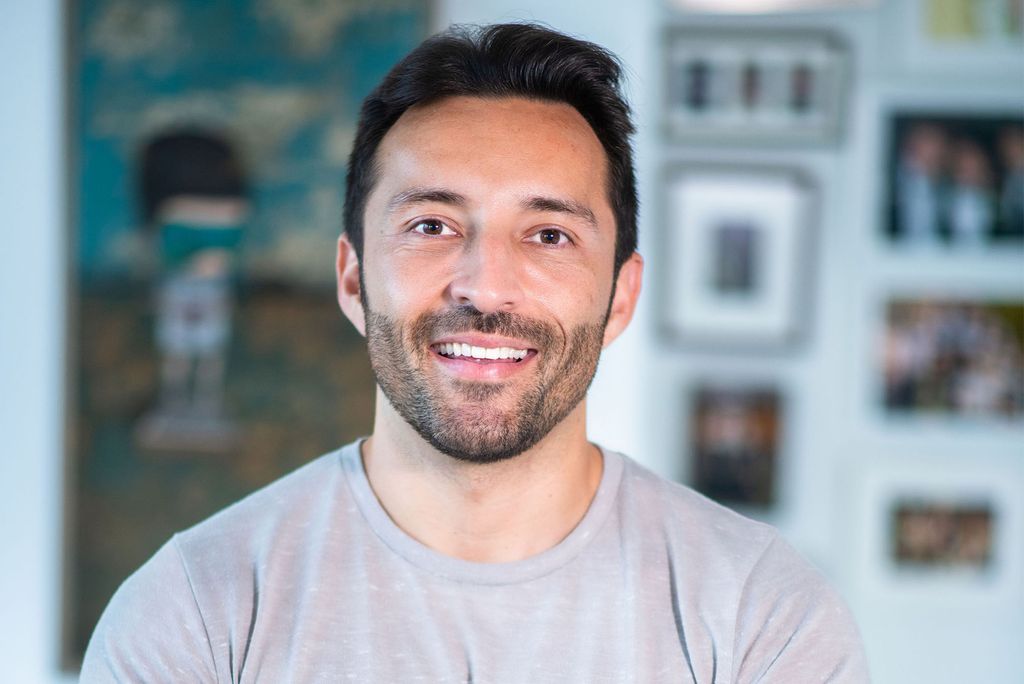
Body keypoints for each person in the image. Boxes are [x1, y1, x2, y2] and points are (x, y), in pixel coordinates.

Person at [82, 23, 870, 682]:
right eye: (432, 225)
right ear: (353, 279)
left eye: (549, 234)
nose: (486, 287)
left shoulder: (762, 617)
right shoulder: (193, 614)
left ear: (619, 298)